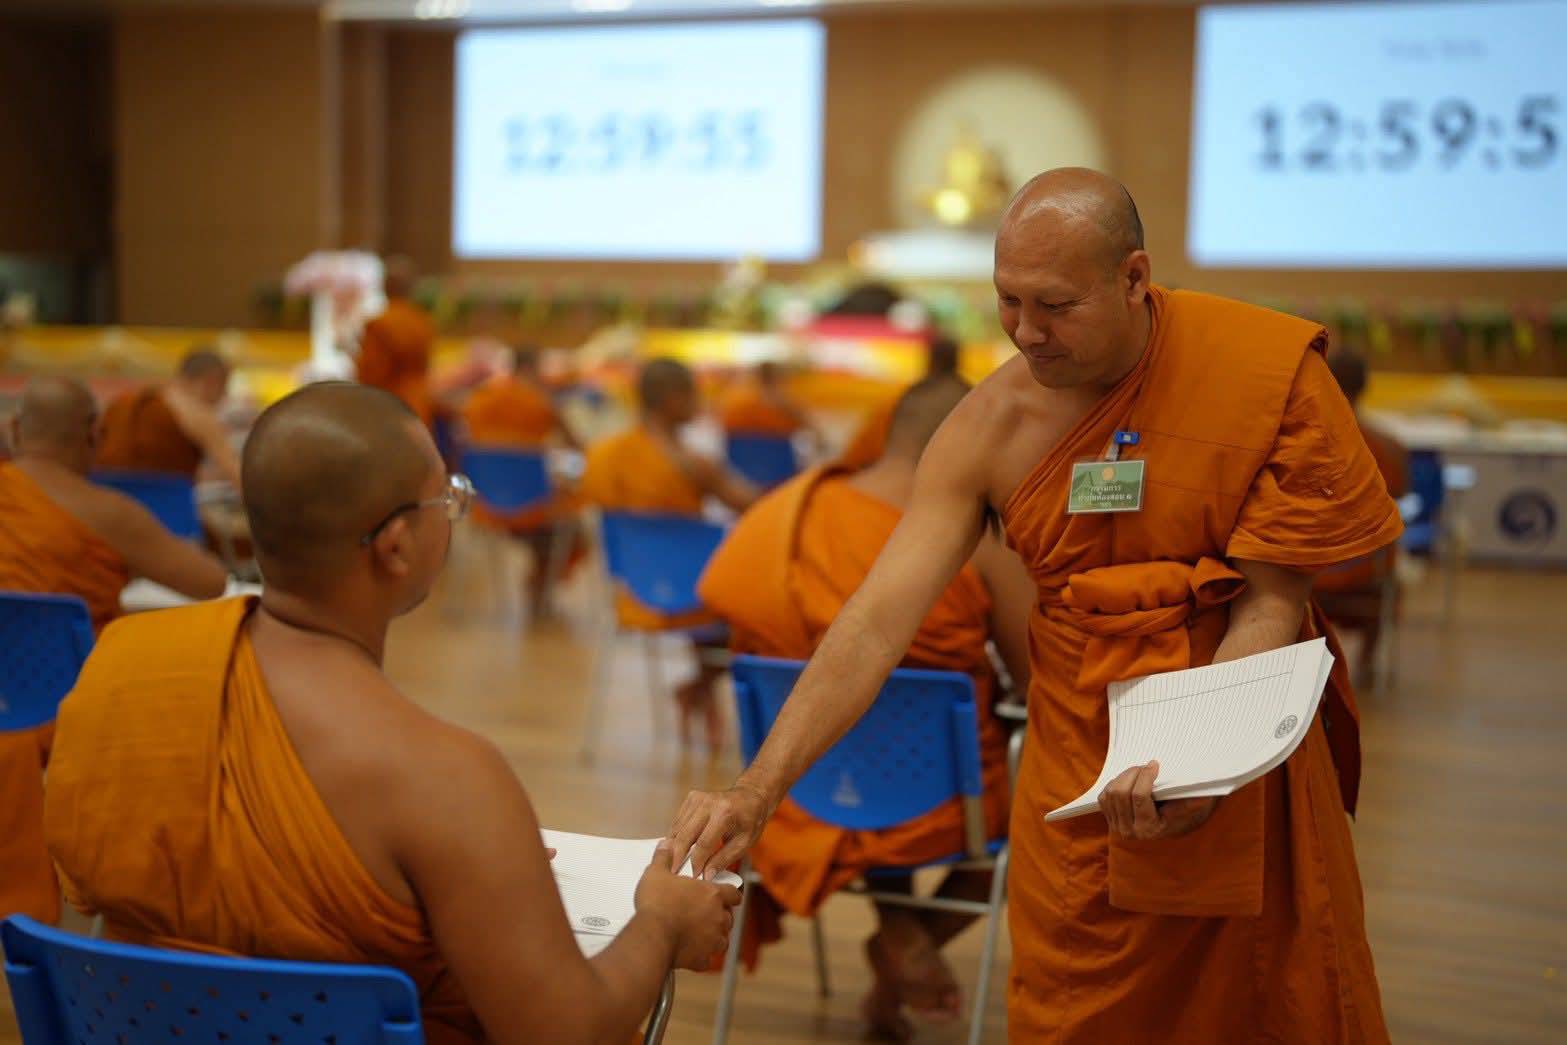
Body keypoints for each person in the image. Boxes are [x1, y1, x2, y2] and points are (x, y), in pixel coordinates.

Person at [667, 168, 1400, 1042]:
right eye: (1006, 301)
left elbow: (1269, 605)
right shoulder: (990, 427)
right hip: (1077, 769)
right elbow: (873, 622)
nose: (1024, 331)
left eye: (1054, 305)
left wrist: (1200, 762)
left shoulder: (1257, 375)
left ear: (1133, 278)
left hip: (1232, 744)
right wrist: (755, 790)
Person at [44, 383, 741, 1044]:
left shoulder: (116, 670)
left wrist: (477, 864)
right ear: (397, 545)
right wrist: (661, 922)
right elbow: (562, 1032)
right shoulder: (447, 779)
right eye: (447, 497)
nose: (454, 510)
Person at [698, 374, 1035, 1039]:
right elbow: (1035, 677)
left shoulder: (785, 512)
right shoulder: (979, 537)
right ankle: (908, 941)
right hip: (943, 804)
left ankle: (900, 939)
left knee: (873, 749)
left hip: (803, 787)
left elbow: (722, 605)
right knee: (1038, 813)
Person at [1, 376, 227, 926]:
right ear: (93, 437)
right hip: (70, 706)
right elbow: (209, 582)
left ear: (13, 431)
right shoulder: (107, 512)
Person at [579, 358, 759, 752]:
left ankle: (699, 692)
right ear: (673, 399)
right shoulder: (694, 464)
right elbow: (753, 506)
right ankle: (700, 688)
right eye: (693, 395)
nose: (699, 403)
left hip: (633, 591)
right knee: (760, 619)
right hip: (699, 597)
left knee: (707, 594)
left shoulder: (605, 454)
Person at [1314, 349, 1411, 687]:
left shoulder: (1298, 440)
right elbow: (1399, 497)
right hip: (1365, 572)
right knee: (1384, 546)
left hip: (1309, 570)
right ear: (1365, 386)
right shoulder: (1389, 447)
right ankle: (1368, 661)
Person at [461, 345, 584, 612]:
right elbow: (576, 446)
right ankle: (539, 588)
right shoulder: (540, 402)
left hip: (485, 505)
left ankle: (537, 585)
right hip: (536, 505)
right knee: (574, 524)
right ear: (530, 369)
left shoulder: (480, 399)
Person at [97, 346, 241, 484]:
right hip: (164, 497)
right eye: (224, 387)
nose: (224, 396)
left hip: (108, 492)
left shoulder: (125, 401)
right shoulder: (195, 412)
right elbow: (235, 473)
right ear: (212, 380)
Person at [840, 333, 962, 470]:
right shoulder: (967, 404)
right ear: (957, 363)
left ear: (930, 362)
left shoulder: (898, 404)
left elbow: (851, 460)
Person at [359, 256, 436, 425]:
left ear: (384, 286)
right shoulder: (421, 321)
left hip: (389, 404)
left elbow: (370, 373)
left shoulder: (380, 324)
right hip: (419, 402)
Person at [718, 360, 813, 439]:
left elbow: (723, 427)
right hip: (779, 454)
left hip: (740, 455)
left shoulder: (736, 401)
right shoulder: (786, 404)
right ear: (777, 378)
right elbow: (808, 425)